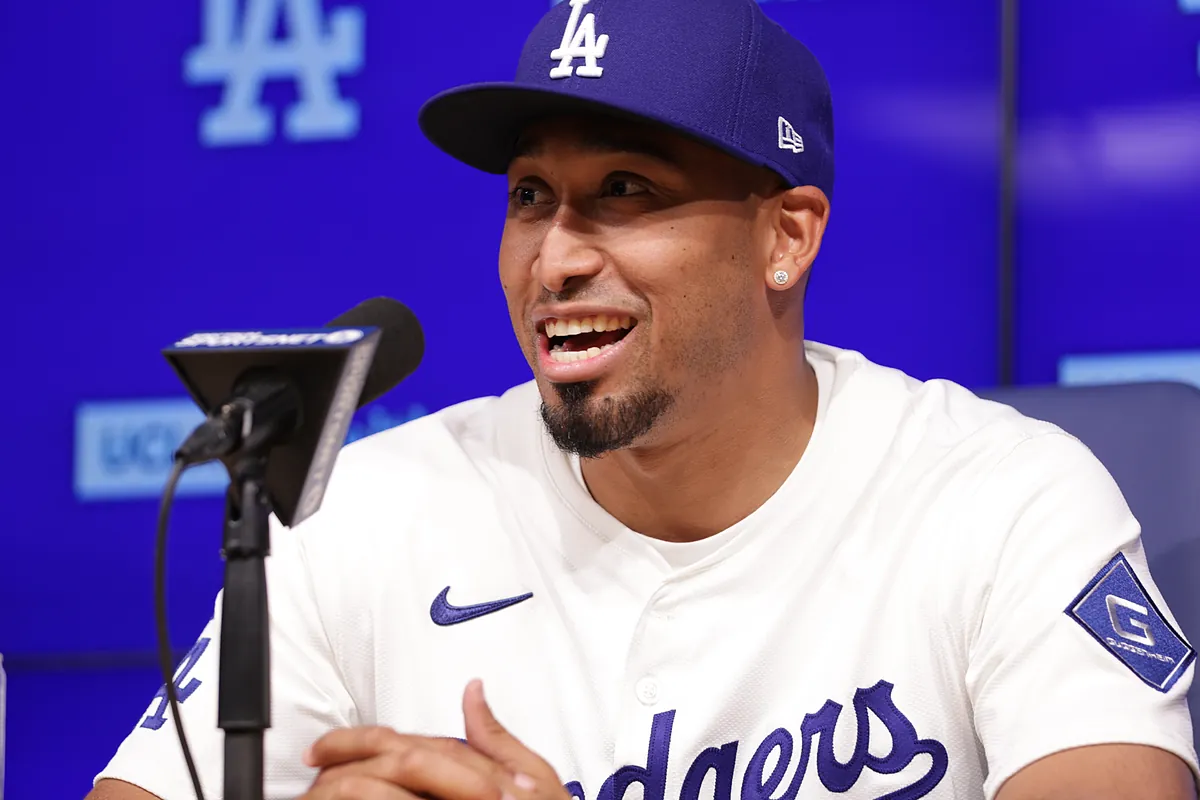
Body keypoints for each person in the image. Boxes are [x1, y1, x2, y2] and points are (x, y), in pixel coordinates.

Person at [89, 0, 1198, 798]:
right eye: (532, 196)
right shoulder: (367, 512)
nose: (555, 258)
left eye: (626, 190)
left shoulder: (1004, 498)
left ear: (787, 235)